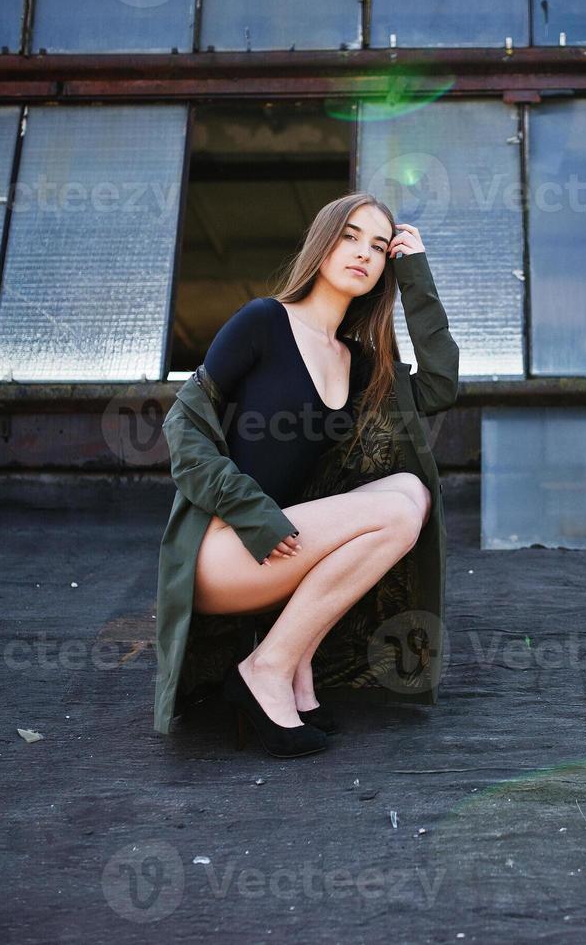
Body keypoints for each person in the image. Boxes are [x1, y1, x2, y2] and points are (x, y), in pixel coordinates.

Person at [153, 193, 459, 758]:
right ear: (321, 243)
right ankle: (265, 668)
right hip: (225, 549)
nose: (363, 253)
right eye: (349, 236)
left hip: (286, 550)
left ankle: (293, 668)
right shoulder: (263, 323)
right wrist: (253, 513)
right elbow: (183, 430)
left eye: (378, 246)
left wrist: (415, 272)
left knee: (411, 493)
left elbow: (441, 386)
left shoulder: (360, 362)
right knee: (394, 510)